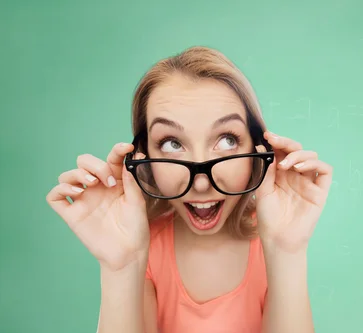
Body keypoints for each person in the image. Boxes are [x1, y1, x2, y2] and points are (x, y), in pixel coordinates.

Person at [46, 46, 333, 333]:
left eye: (227, 140)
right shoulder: (144, 247)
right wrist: (120, 266)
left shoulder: (274, 239)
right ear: (144, 157)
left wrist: (286, 251)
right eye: (172, 143)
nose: (201, 182)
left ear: (258, 147)